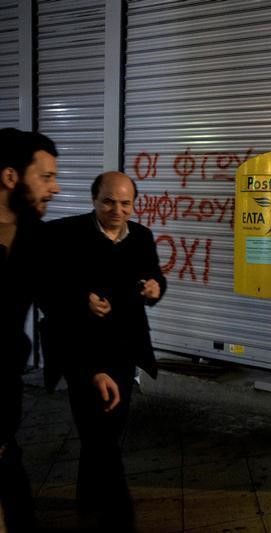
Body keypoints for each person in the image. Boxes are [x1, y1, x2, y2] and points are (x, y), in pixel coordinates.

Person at [40, 171, 166, 531]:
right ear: (94, 199)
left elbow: (154, 275)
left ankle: (90, 499)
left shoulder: (141, 236)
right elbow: (45, 289)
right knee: (97, 431)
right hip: (81, 351)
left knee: (106, 431)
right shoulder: (64, 234)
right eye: (109, 201)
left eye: (125, 203)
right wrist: (81, 301)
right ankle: (115, 511)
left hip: (124, 351)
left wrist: (156, 287)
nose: (117, 209)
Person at [0, 127, 60, 532]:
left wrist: (94, 368)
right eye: (45, 176)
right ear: (10, 178)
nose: (55, 188)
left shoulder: (35, 237)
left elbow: (59, 307)